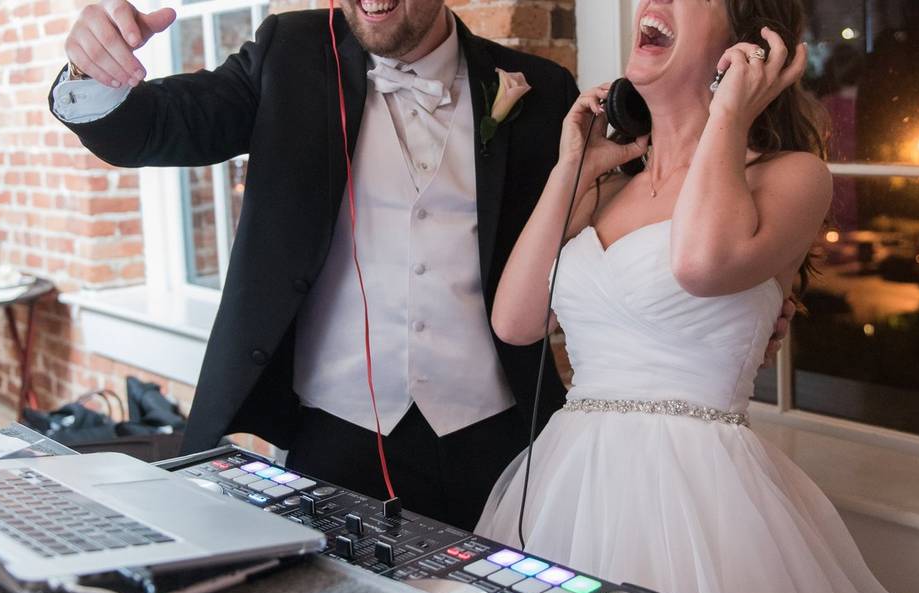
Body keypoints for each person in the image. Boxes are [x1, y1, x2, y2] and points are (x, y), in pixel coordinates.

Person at [49, 0, 788, 531]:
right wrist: (93, 68)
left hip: (500, 437)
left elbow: (599, 234)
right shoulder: (287, 54)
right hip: (331, 434)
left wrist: (741, 298)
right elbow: (152, 127)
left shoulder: (541, 93)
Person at [475, 1, 919, 593]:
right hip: (568, 482)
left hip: (701, 496)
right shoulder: (605, 188)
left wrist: (729, 114)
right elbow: (515, 321)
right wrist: (572, 165)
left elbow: (698, 264)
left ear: (744, 48)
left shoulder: (791, 178)